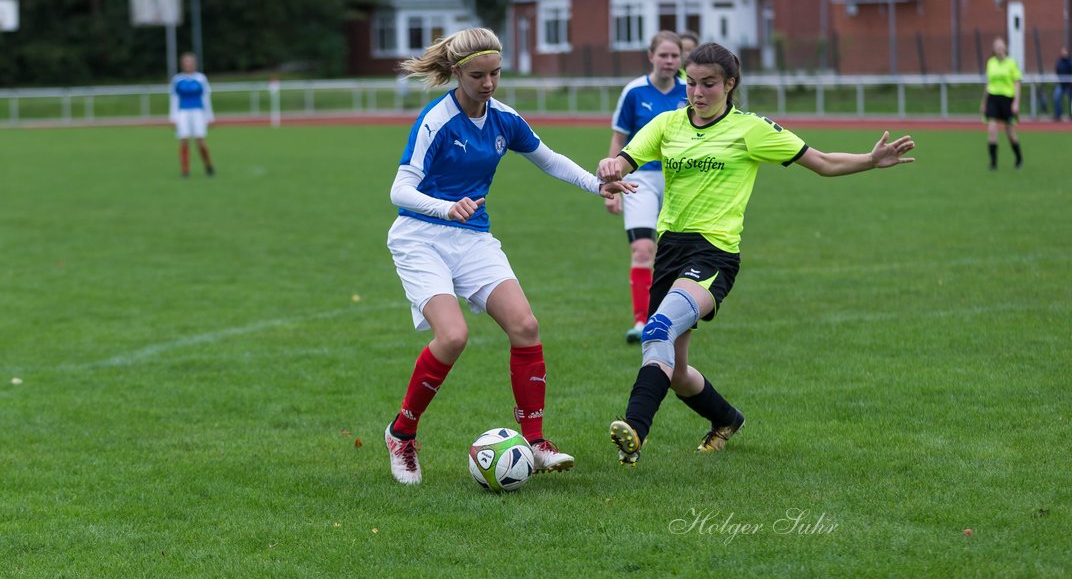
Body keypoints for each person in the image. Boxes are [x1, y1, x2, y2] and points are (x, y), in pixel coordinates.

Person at [595, 42, 916, 464]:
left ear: (730, 84)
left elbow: (821, 162)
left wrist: (870, 160)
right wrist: (610, 167)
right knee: (674, 371)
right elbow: (624, 160)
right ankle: (727, 419)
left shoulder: (751, 129)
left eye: (708, 84)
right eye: (691, 83)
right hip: (670, 250)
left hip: (714, 254)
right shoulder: (667, 124)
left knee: (658, 330)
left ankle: (635, 431)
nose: (697, 92)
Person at [382, 27, 633, 485]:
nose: (489, 83)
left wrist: (597, 185)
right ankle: (402, 433)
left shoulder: (504, 119)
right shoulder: (436, 121)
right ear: (457, 72)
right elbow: (400, 188)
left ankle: (535, 442)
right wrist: (445, 206)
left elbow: (549, 158)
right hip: (420, 236)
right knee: (453, 336)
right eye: (478, 75)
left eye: (496, 73)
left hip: (473, 237)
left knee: (525, 326)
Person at [605, 31, 690, 344]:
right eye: (663, 55)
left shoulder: (690, 89)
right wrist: (612, 183)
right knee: (642, 249)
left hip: (680, 179)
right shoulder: (634, 91)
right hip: (638, 179)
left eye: (674, 56)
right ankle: (641, 322)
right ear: (651, 56)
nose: (669, 61)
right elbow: (619, 137)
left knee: (677, 252)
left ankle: (671, 319)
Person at [169, 52, 215, 177]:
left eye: (190, 62)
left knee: (200, 141)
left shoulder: (201, 79)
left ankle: (208, 166)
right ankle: (185, 170)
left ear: (194, 64)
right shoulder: (177, 80)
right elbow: (174, 98)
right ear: (182, 64)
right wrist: (173, 117)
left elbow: (206, 97)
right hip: (183, 112)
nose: (188, 64)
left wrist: (209, 116)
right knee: (184, 140)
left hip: (198, 112)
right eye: (186, 62)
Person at [980, 37, 1022, 170]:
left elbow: (1017, 83)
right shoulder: (990, 63)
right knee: (992, 129)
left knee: (1010, 132)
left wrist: (1016, 102)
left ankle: (1019, 158)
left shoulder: (1011, 63)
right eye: (996, 45)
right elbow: (988, 84)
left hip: (1007, 99)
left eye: (1001, 45)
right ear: (993, 49)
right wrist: (984, 102)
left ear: (1005, 47)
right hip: (993, 98)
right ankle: (993, 163)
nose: (999, 48)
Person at [1052, 47, 1072, 122]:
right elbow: (1057, 71)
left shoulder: (1070, 61)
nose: (1064, 53)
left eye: (1065, 52)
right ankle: (1058, 115)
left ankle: (1071, 114)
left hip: (1070, 85)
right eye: (1063, 52)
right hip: (1061, 84)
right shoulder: (1059, 62)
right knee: (1056, 97)